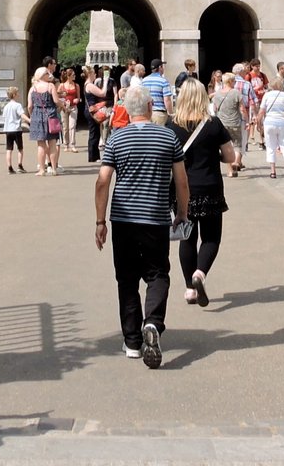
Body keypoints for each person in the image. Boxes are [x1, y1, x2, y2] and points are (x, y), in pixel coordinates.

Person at [94, 86, 187, 370]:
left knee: (126, 278)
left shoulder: (116, 138)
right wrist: (182, 212)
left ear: (127, 110)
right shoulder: (168, 136)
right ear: (149, 108)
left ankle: (133, 341)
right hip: (155, 219)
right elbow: (181, 181)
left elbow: (103, 180)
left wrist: (100, 220)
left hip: (123, 219)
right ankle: (153, 323)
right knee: (158, 274)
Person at [167, 79, 236, 306]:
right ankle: (200, 273)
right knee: (212, 237)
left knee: (187, 238)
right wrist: (212, 155)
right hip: (209, 186)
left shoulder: (171, 125)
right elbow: (230, 157)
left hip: (182, 188)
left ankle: (189, 288)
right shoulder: (213, 124)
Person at [210, 71, 244, 177]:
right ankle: (236, 162)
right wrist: (246, 119)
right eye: (234, 81)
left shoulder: (218, 93)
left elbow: (214, 108)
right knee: (237, 145)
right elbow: (242, 108)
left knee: (226, 147)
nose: (235, 83)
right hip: (235, 122)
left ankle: (230, 171)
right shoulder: (236, 93)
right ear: (231, 81)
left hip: (222, 123)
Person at [28, 66, 61, 175]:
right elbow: (56, 101)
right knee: (52, 144)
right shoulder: (50, 86)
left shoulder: (33, 88)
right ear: (43, 75)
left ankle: (42, 169)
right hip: (50, 115)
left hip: (37, 116)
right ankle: (54, 169)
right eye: (47, 73)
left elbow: (29, 106)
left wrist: (32, 116)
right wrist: (62, 105)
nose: (49, 75)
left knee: (41, 145)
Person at [260, 81, 284, 179]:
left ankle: (273, 171)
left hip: (269, 123)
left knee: (271, 146)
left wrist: (258, 122)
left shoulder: (267, 95)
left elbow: (262, 111)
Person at [84, 64, 115, 163]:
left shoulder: (88, 84)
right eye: (93, 73)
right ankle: (93, 156)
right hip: (92, 110)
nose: (95, 74)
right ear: (89, 74)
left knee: (96, 132)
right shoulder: (89, 85)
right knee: (94, 133)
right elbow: (102, 93)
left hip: (91, 110)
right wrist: (105, 82)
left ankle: (95, 155)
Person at [0, 87, 27, 174]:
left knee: (9, 149)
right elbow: (22, 115)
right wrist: (29, 120)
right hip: (16, 129)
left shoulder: (6, 106)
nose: (18, 95)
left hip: (8, 130)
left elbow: (4, 118)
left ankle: (9, 167)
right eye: (17, 93)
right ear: (14, 95)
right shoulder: (17, 105)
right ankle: (20, 165)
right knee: (20, 148)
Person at [140, 59, 174, 124]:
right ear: (160, 67)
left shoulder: (144, 80)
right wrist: (170, 113)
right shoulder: (163, 81)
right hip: (159, 114)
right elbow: (167, 100)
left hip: (146, 113)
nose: (163, 68)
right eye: (162, 66)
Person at [58, 68, 80, 151]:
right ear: (68, 76)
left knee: (72, 126)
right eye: (73, 75)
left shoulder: (76, 85)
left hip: (73, 107)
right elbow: (57, 96)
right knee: (65, 127)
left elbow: (78, 97)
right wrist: (62, 99)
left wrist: (77, 100)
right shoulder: (62, 85)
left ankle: (73, 145)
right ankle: (66, 144)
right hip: (64, 107)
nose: (75, 76)